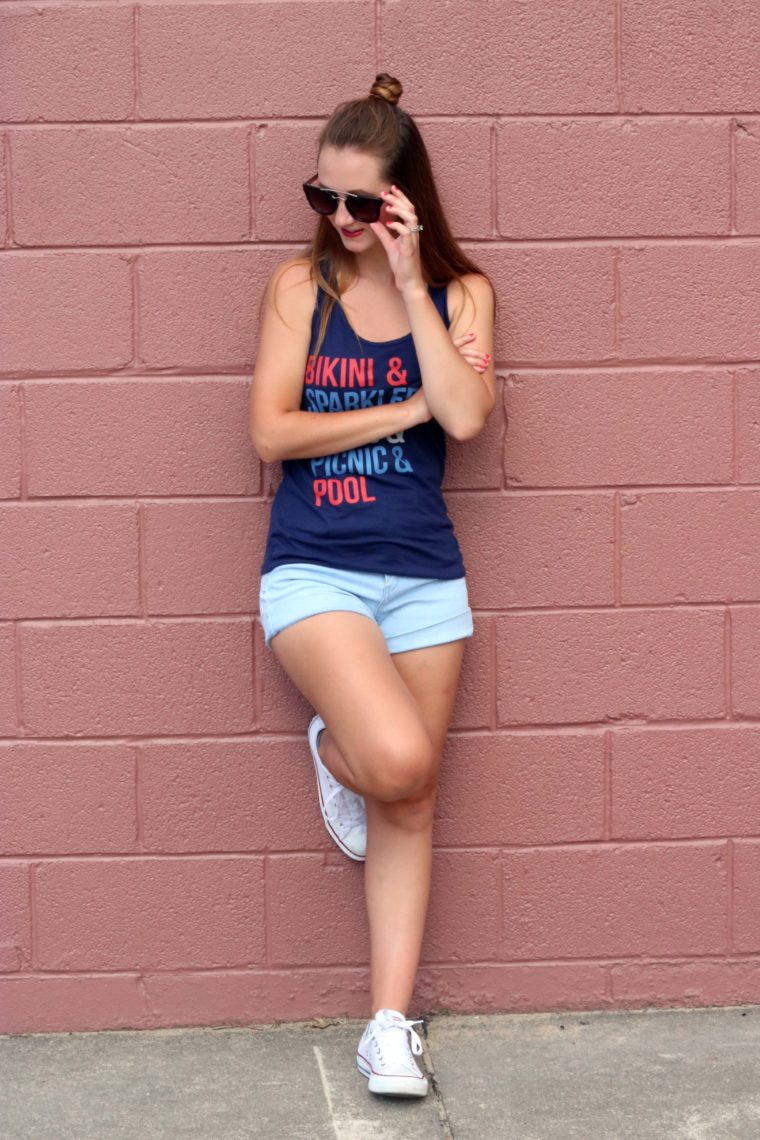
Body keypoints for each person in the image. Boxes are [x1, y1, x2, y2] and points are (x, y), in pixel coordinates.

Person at [249, 73, 496, 1098]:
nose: (340, 221)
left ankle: (387, 1028)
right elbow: (272, 433)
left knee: (413, 801)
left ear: (405, 202)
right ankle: (334, 746)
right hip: (314, 569)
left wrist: (409, 278)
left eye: (363, 204)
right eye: (325, 199)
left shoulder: (462, 295)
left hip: (425, 577)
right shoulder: (296, 290)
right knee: (392, 760)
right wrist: (403, 413)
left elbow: (469, 417)